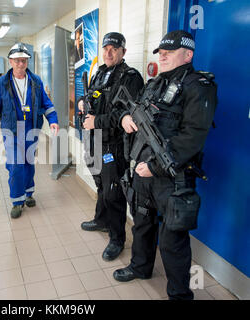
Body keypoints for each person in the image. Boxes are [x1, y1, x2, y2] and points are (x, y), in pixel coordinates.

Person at [113, 30, 217, 300]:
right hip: (143, 174)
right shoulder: (155, 83)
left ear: (188, 54)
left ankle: (180, 294)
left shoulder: (199, 86)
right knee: (142, 224)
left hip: (172, 178)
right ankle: (140, 266)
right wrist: (125, 116)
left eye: (169, 52)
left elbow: (193, 137)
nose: (163, 55)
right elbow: (134, 108)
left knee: (172, 241)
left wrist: (155, 167)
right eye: (161, 52)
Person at [79, 32, 144, 261]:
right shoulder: (100, 73)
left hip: (114, 146)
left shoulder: (131, 77)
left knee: (113, 192)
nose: (108, 52)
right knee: (100, 184)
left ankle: (117, 239)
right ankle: (101, 219)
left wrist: (97, 121)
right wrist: (83, 101)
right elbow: (92, 97)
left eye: (114, 48)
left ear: (123, 52)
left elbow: (126, 115)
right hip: (95, 141)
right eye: (105, 48)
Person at [0, 43, 59, 219]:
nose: (21, 64)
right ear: (10, 61)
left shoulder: (36, 81)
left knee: (28, 163)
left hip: (31, 128)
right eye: (17, 60)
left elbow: (46, 103)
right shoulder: (3, 83)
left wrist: (53, 121)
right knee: (16, 165)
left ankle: (29, 192)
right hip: (11, 130)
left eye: (24, 61)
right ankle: (17, 201)